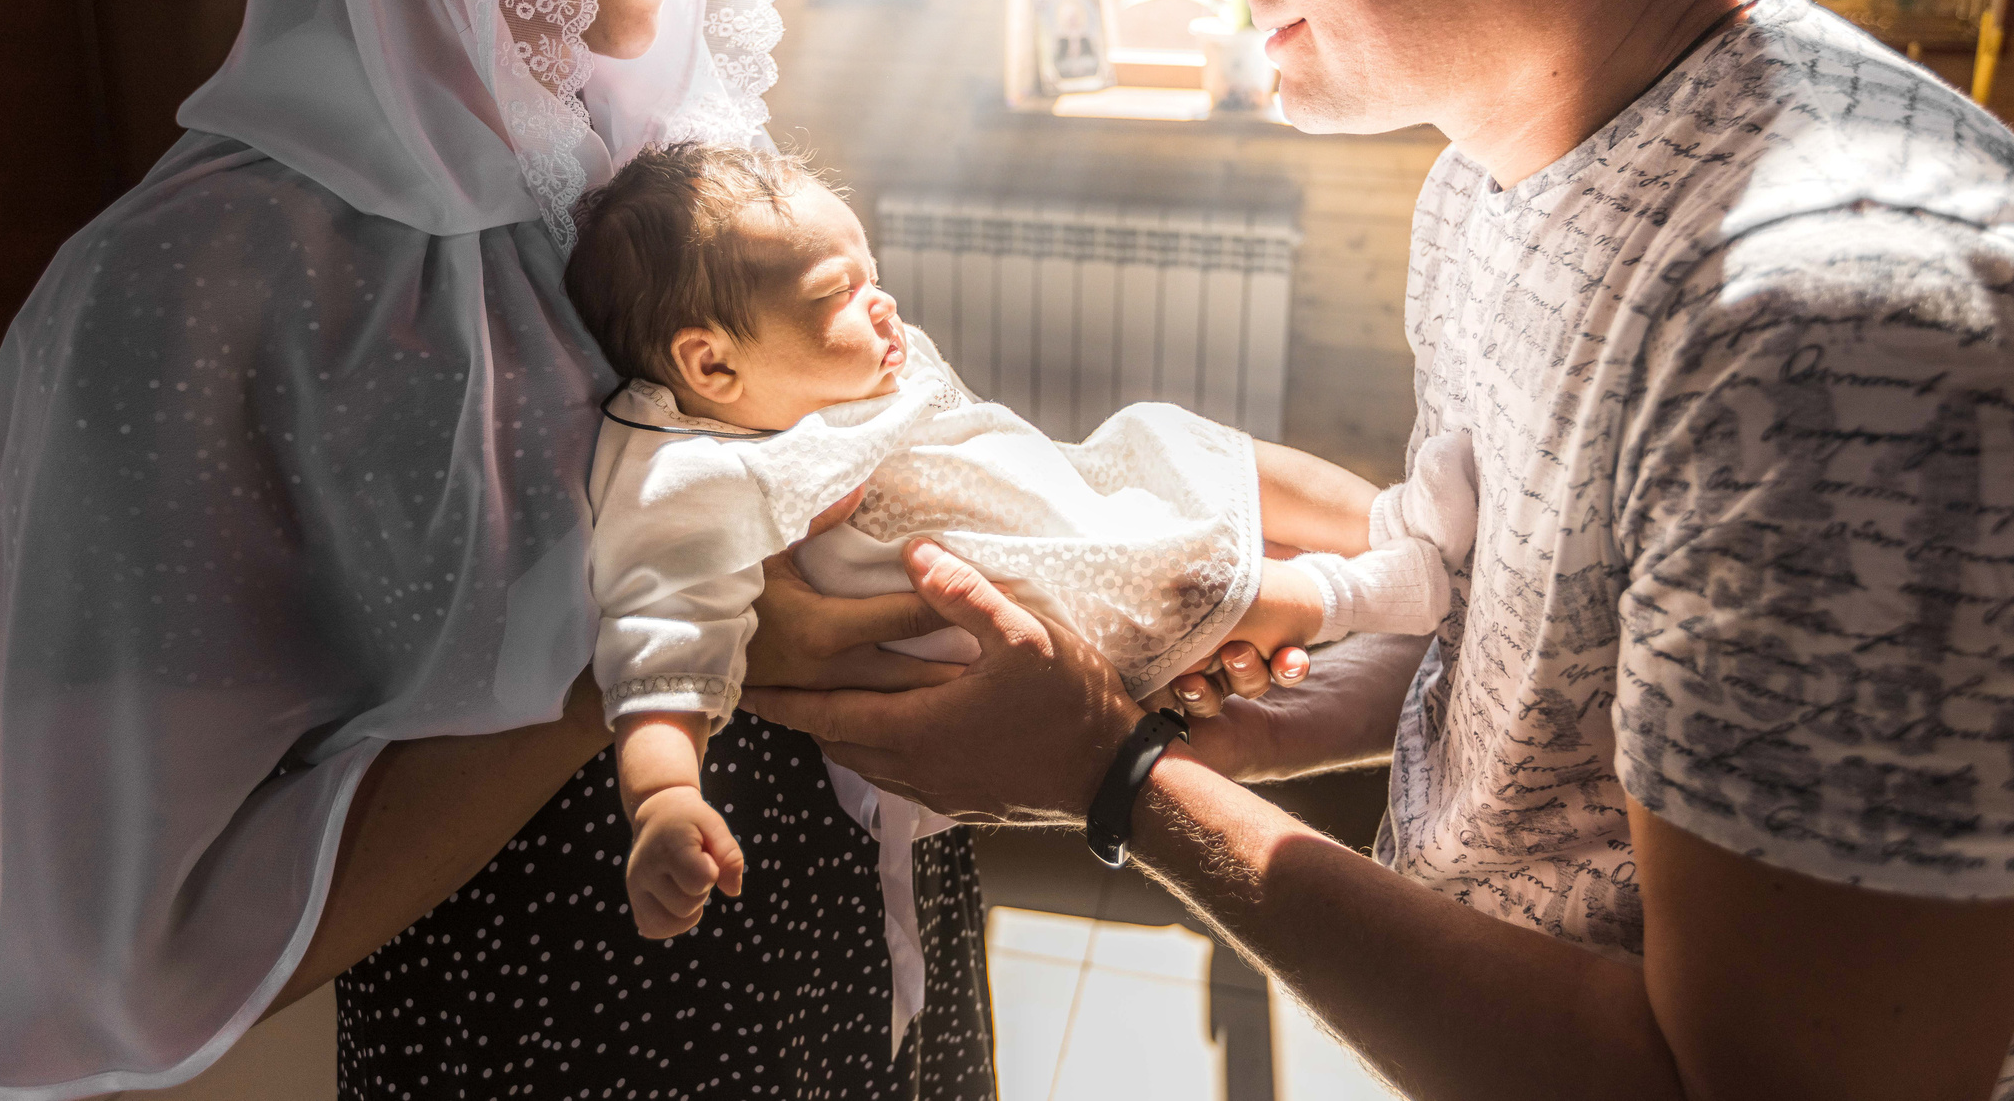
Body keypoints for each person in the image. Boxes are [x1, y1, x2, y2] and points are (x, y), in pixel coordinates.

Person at [750, 0, 2014, 1101]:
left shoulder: (1861, 335)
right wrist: (1136, 688)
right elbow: (1509, 672)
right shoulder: (1494, 171)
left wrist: (1116, 770)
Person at [0, 0, 998, 1101]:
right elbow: (141, 932)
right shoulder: (188, 288)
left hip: (863, 953)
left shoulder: (666, 172)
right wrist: (650, 674)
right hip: (568, 1023)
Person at [566, 142, 1417, 1030]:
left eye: (873, 273)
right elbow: (662, 643)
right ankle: (1383, 591)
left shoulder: (846, 369)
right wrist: (665, 794)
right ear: (710, 366)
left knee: (1172, 441)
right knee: (1186, 571)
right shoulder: (692, 475)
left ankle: (1394, 524)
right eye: (836, 294)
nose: (880, 302)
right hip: (1029, 604)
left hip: (1058, 515)